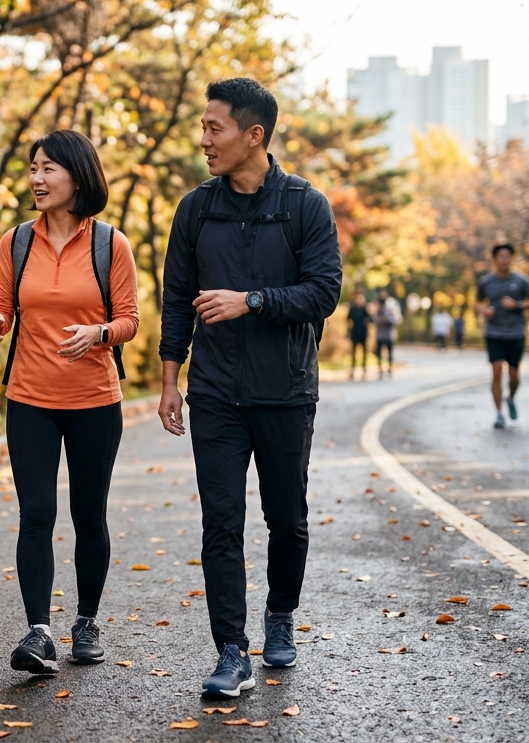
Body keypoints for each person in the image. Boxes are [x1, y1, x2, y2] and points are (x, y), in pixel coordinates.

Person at [157, 78, 341, 698]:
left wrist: (252, 302)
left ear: (253, 135)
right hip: (214, 394)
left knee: (286, 519)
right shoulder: (196, 208)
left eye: (215, 128)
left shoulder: (303, 205)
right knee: (221, 523)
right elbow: (176, 299)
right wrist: (168, 380)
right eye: (204, 127)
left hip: (286, 392)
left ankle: (280, 615)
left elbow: (324, 293)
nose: (204, 140)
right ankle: (231, 649)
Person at [0, 130, 139, 674]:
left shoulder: (109, 243)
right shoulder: (16, 241)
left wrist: (98, 334)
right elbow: (1, 307)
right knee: (36, 515)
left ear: (78, 174)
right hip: (29, 397)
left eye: (49, 168)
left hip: (95, 399)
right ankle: (38, 632)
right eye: (33, 168)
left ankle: (87, 622)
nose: (37, 178)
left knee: (88, 515)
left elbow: (130, 322)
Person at [475, 243, 529, 429]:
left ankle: (510, 398)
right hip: (494, 333)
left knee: (513, 374)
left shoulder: (521, 280)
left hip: (516, 333)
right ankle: (499, 413)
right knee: (496, 370)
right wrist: (485, 311)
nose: (505, 259)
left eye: (508, 256)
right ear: (495, 259)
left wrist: (516, 305)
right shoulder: (486, 282)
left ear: (512, 259)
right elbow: (477, 303)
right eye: (501, 256)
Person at [373, 292, 401, 378]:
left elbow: (396, 320)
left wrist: (387, 320)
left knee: (390, 354)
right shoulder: (378, 311)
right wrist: (380, 320)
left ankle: (389, 369)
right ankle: (380, 370)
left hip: (389, 335)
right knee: (379, 354)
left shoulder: (390, 310)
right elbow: (374, 320)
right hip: (380, 335)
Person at [347, 292, 371, 379]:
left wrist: (366, 322)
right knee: (354, 352)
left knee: (364, 352)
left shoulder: (364, 309)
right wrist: (348, 331)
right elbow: (348, 319)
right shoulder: (353, 309)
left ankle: (364, 370)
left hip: (363, 332)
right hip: (355, 332)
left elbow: (370, 319)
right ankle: (353, 370)